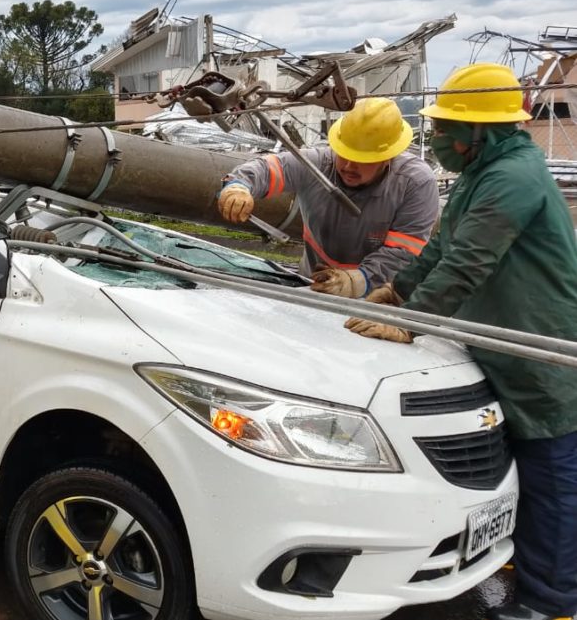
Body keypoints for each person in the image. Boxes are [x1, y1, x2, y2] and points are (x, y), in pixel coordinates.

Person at [345, 63, 577, 620]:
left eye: (448, 126)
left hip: (539, 341)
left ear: (480, 130)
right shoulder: (483, 172)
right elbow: (442, 247)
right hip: (502, 339)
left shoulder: (513, 177)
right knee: (522, 467)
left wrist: (412, 321)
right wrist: (397, 292)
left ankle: (553, 601)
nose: (440, 137)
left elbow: (470, 261)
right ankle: (533, 564)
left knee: (552, 471)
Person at [217, 97, 439, 297]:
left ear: (388, 157)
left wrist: (355, 281)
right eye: (345, 154)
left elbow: (402, 254)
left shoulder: (415, 184)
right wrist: (238, 187)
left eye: (363, 159)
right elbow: (267, 169)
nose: (349, 166)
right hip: (313, 285)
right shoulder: (317, 164)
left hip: (379, 296)